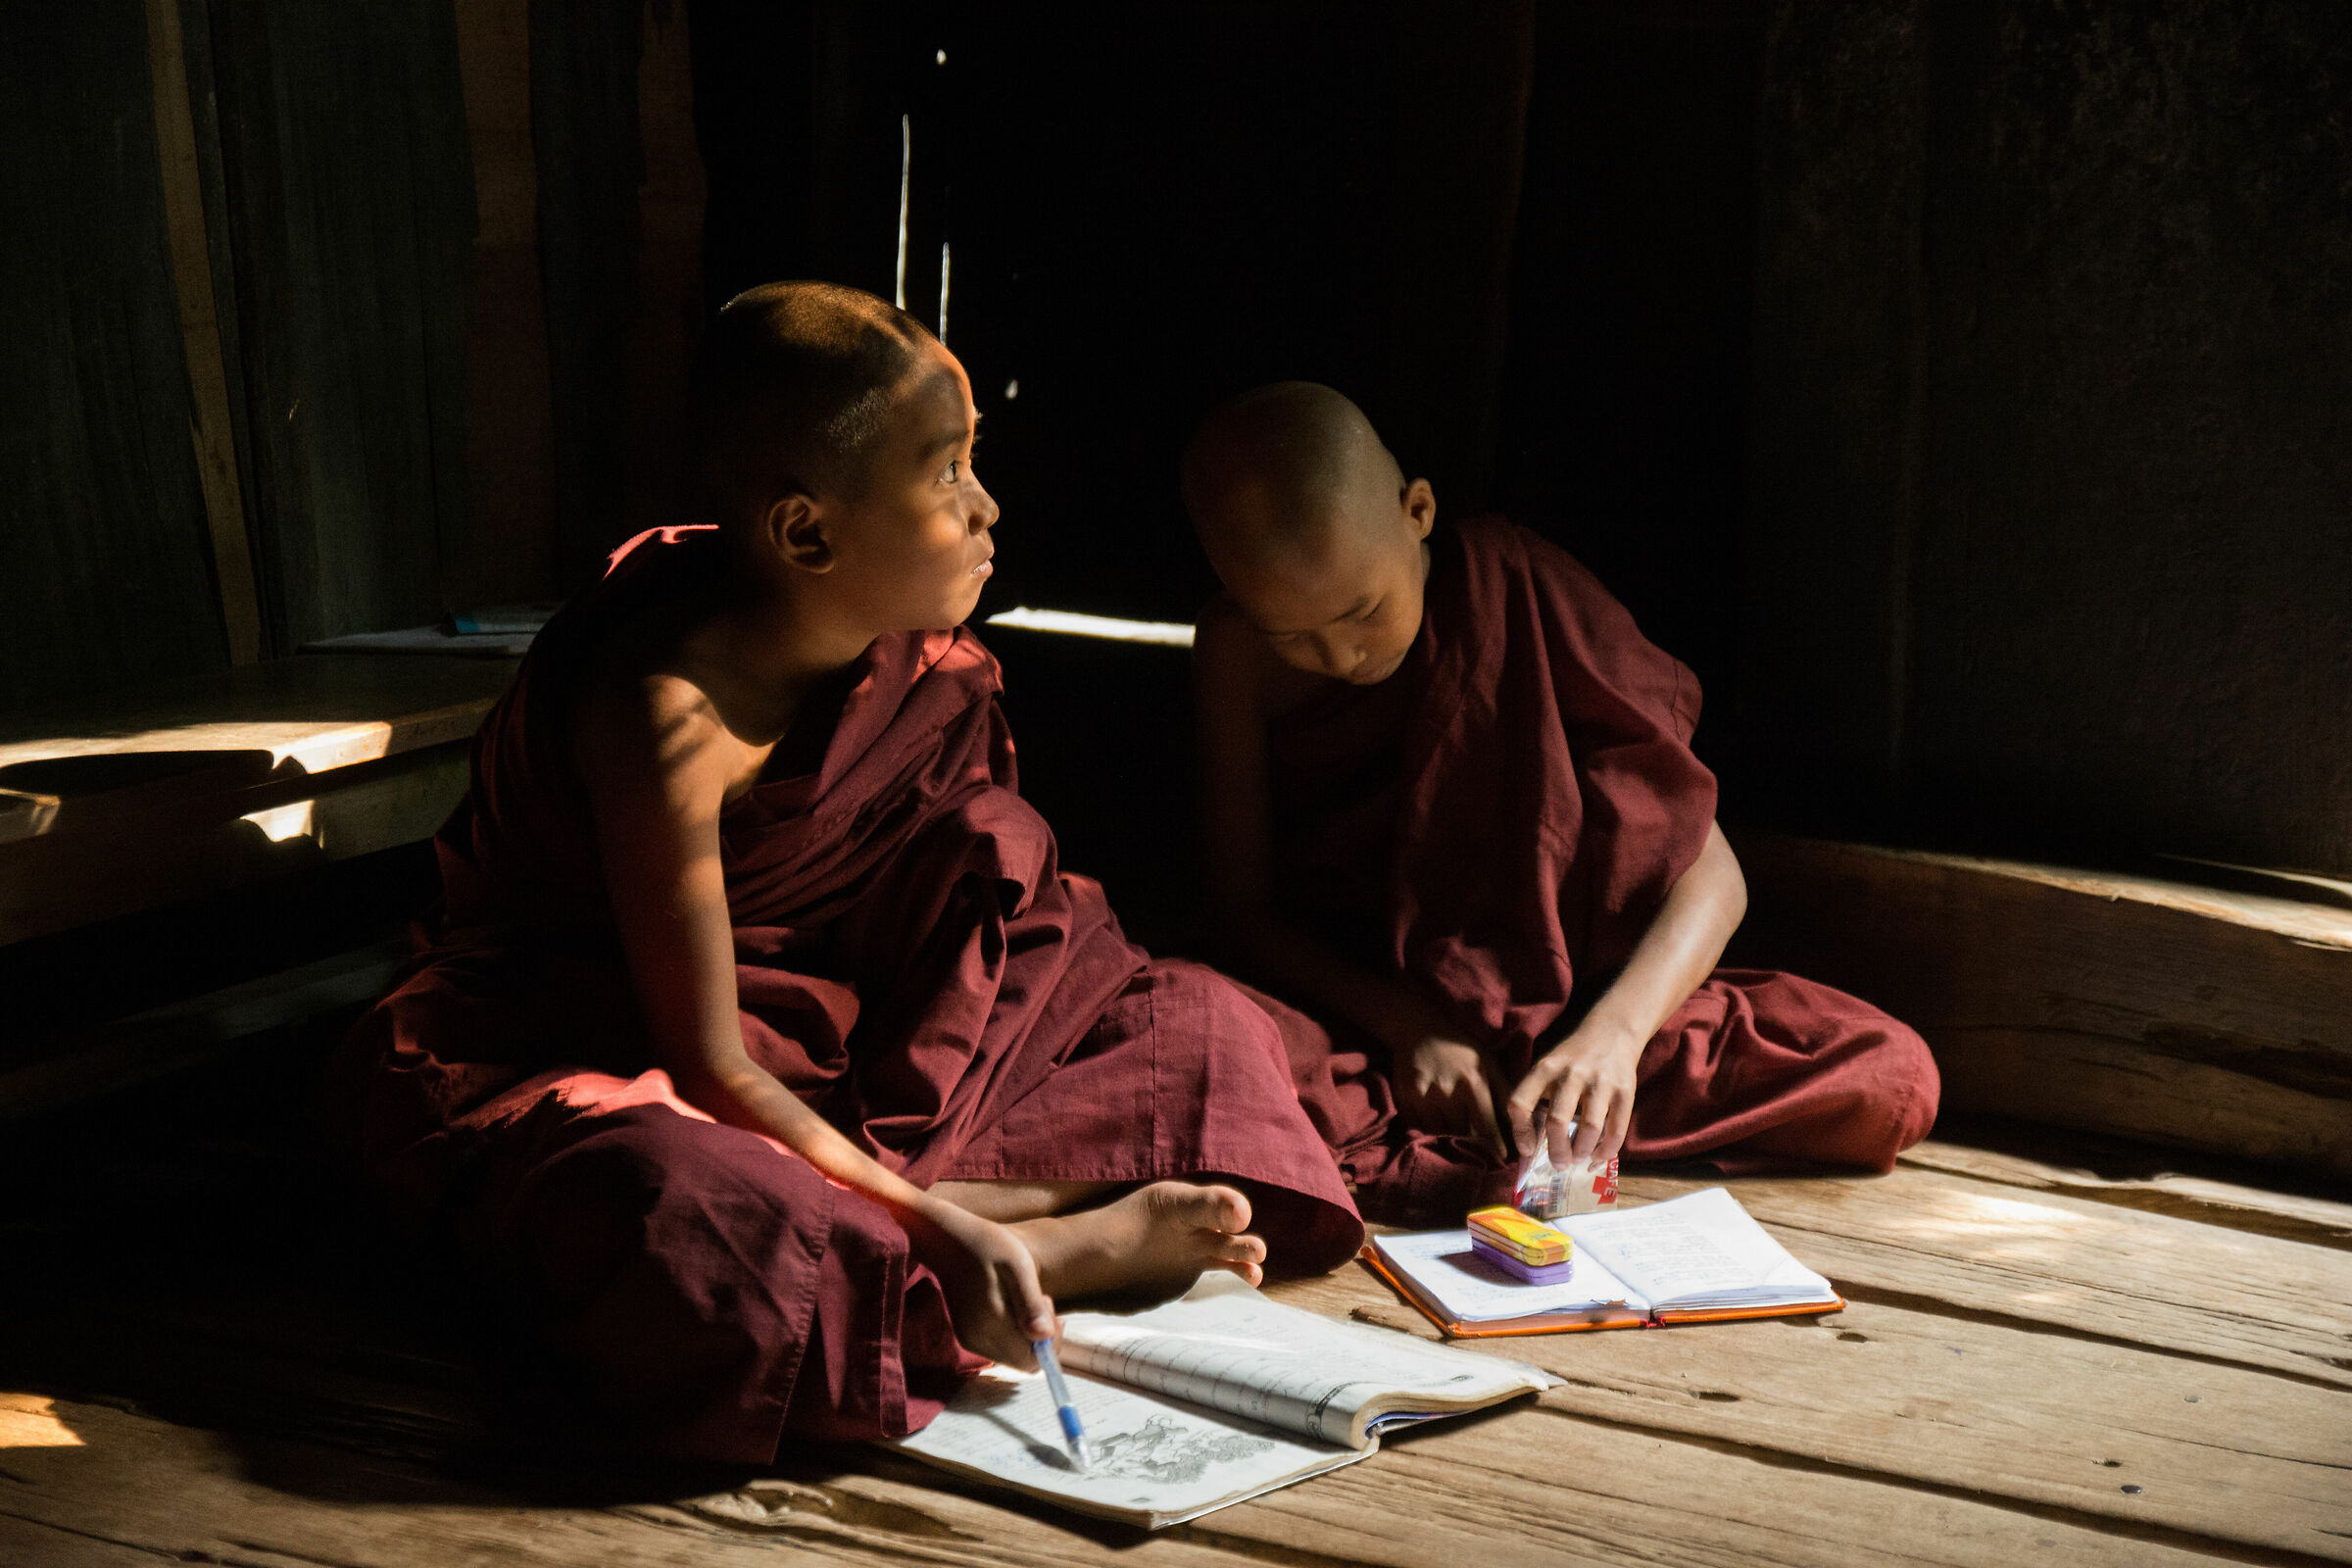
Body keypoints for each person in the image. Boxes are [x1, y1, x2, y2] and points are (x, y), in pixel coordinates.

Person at [333, 287, 1361, 1463]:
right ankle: (996, 1242)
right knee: (694, 1221)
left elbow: (975, 908)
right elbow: (707, 1061)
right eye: (945, 476)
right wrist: (926, 1215)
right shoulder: (664, 714)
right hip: (599, 1040)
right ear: (808, 535)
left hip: (853, 1034)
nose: (987, 507)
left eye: (975, 461)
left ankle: (945, 1224)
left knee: (1209, 1029)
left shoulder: (901, 657)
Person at [1184, 380, 1937, 1226]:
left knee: (1887, 1073)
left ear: (1418, 510)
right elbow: (1240, 913)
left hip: (1576, 1014)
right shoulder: (1235, 654)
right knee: (1197, 1047)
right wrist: (1408, 1028)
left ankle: (1531, 1122)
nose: (1342, 653)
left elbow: (1715, 874)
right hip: (1372, 1028)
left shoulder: (1521, 589)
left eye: (1362, 611)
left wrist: (1613, 1039)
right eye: (1294, 634)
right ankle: (1515, 1140)